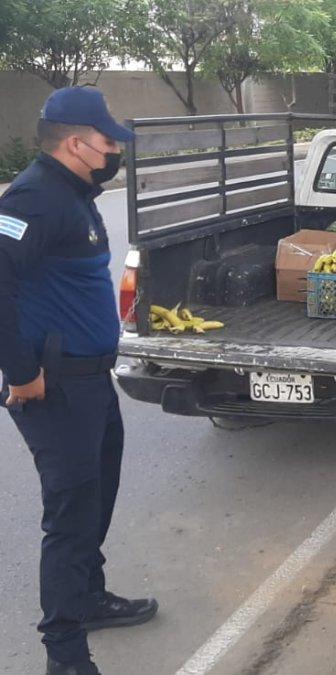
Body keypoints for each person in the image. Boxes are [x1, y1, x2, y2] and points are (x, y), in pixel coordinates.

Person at [0, 87, 158, 675]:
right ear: (75, 143)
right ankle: (64, 654)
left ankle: (88, 598)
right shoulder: (37, 198)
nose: (115, 148)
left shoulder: (74, 191)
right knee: (70, 517)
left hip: (91, 382)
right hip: (56, 387)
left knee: (97, 499)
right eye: (107, 139)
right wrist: (20, 372)